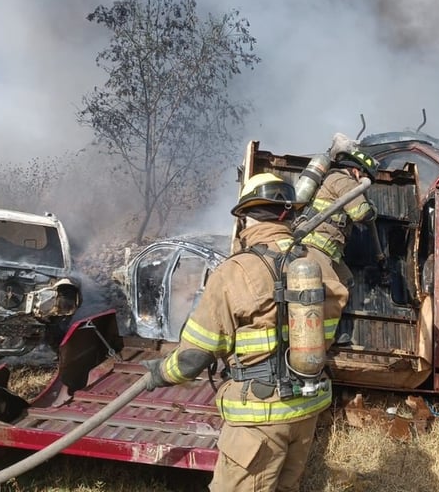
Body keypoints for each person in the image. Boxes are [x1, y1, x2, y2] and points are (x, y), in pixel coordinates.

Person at [140, 172, 342, 492]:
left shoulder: (236, 271)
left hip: (260, 416)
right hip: (307, 405)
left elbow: (194, 357)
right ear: (288, 214)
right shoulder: (318, 261)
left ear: (246, 217)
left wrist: (160, 374)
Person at [296, 148, 378, 345]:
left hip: (328, 250)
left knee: (347, 280)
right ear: (358, 172)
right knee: (334, 291)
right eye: (365, 178)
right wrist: (372, 208)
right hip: (315, 247)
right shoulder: (343, 179)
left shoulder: (336, 179)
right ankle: (319, 342)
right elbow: (361, 213)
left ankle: (333, 334)